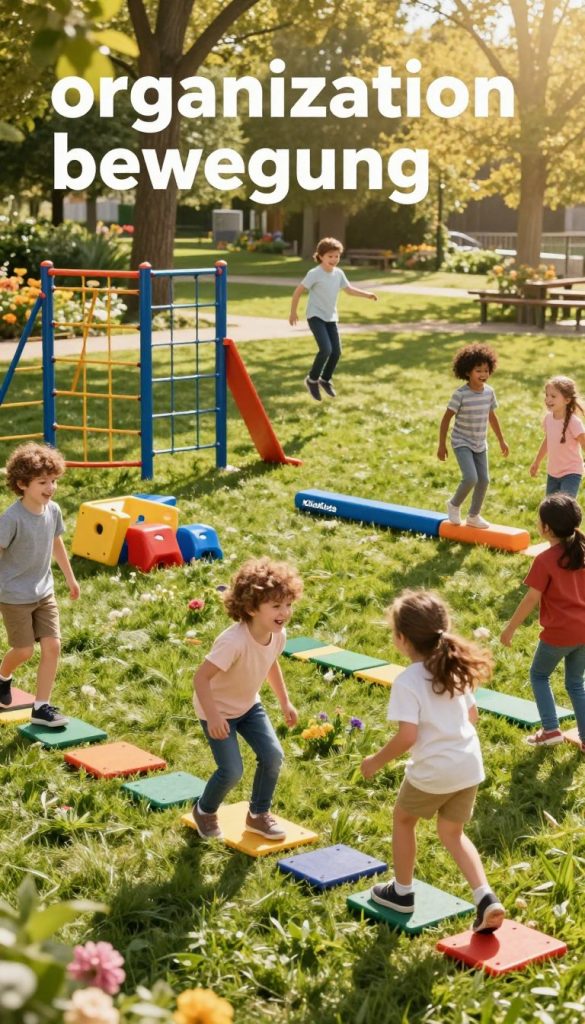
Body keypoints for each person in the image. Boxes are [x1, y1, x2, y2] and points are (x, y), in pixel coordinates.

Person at [360, 588, 505, 934]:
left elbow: (408, 736)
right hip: (469, 765)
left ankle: (402, 892)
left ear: (401, 638)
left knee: (404, 820)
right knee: (452, 832)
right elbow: (473, 716)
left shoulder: (408, 681)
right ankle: (485, 896)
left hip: (434, 770)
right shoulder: (454, 667)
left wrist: (375, 761)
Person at [191, 557, 303, 840]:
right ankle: (204, 811)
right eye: (276, 606)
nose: (285, 612)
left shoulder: (277, 635)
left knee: (273, 755)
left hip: (248, 705)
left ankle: (258, 814)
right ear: (252, 608)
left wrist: (284, 702)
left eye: (288, 604)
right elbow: (200, 679)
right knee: (231, 771)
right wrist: (214, 716)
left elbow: (270, 664)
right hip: (216, 710)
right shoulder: (233, 641)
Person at [0, 442, 80, 727]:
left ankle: (41, 707)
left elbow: (56, 542)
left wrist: (70, 577)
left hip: (44, 591)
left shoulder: (53, 510)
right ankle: (2, 677)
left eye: (54, 481)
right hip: (13, 595)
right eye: (42, 482)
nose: (50, 487)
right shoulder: (11, 519)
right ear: (22, 484)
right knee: (23, 651)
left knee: (53, 646)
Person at [500, 493, 585, 751]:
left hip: (559, 633)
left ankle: (550, 730)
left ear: (546, 528)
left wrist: (509, 629)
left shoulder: (544, 560)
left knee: (538, 675)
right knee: (576, 684)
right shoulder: (582, 551)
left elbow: (531, 599)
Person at [288, 237, 378, 402]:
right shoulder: (314, 273)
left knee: (336, 351)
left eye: (337, 256)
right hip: (315, 316)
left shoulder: (339, 273)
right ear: (321, 256)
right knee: (326, 349)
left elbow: (349, 290)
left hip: (331, 317)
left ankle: (325, 379)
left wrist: (367, 294)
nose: (334, 259)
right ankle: (312, 379)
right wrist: (293, 312)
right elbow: (298, 291)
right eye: (330, 256)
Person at [437, 343, 509, 529]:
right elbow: (445, 420)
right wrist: (441, 445)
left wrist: (501, 440)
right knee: (471, 478)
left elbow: (492, 417)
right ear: (467, 372)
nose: (483, 374)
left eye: (486, 370)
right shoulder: (460, 395)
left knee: (484, 480)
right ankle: (453, 505)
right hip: (461, 441)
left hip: (480, 442)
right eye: (478, 370)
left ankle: (473, 516)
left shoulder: (489, 392)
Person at [529, 375, 585, 498]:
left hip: (571, 472)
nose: (548, 399)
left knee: (565, 505)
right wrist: (537, 462)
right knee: (551, 508)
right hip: (553, 473)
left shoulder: (574, 422)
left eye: (553, 396)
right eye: (547, 395)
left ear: (567, 400)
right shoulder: (548, 418)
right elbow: (547, 441)